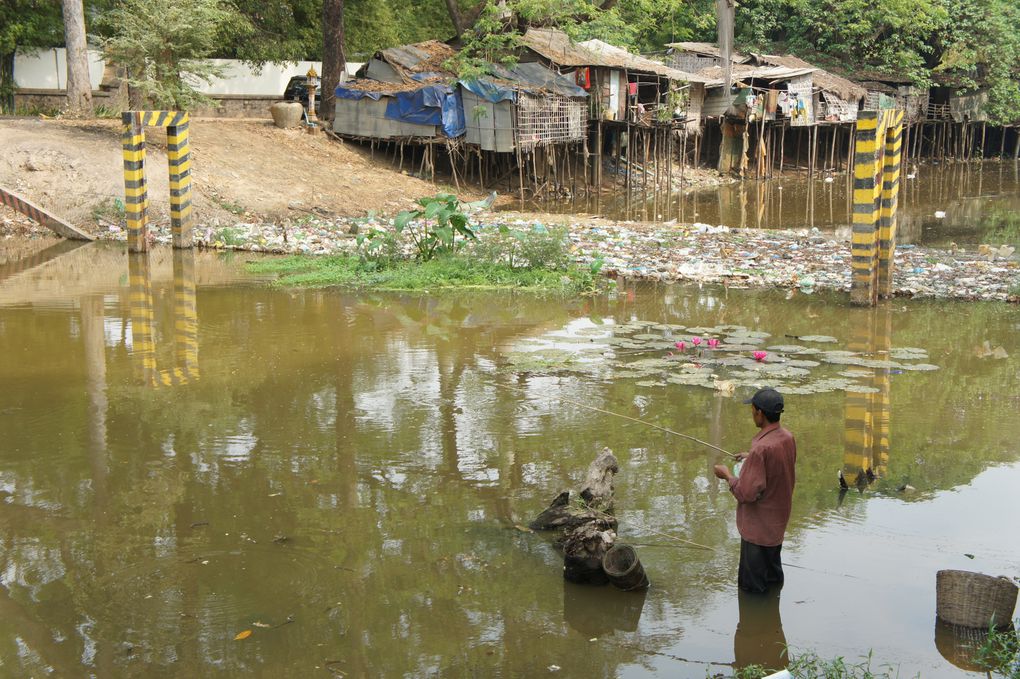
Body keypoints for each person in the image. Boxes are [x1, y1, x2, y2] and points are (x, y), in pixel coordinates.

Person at [714, 387, 797, 594]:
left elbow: (746, 493)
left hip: (758, 530)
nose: (752, 413)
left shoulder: (761, 448)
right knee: (773, 579)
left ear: (760, 412)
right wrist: (750, 457)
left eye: (753, 409)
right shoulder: (786, 437)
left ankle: (756, 624)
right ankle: (772, 621)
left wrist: (727, 476)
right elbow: (776, 465)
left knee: (752, 590)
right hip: (776, 525)